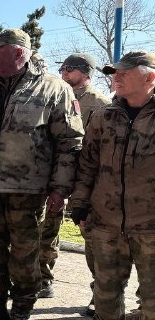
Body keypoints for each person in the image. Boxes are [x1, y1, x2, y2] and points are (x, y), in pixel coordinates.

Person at [0, 29, 84, 320]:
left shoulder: (53, 88)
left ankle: (21, 312)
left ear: (18, 53)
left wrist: (60, 188)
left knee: (25, 255)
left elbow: (70, 142)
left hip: (28, 191)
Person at [70, 51, 155, 320]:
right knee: (106, 285)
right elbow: (87, 164)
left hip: (150, 224)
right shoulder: (104, 116)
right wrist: (80, 204)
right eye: (113, 73)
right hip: (105, 219)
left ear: (149, 77)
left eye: (124, 73)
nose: (115, 78)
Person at [37, 53, 110, 305]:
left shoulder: (100, 104)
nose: (64, 73)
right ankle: (42, 279)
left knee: (93, 240)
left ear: (85, 72)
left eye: (69, 69)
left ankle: (101, 295)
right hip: (54, 175)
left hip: (84, 181)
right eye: (62, 68)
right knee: (46, 229)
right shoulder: (53, 96)